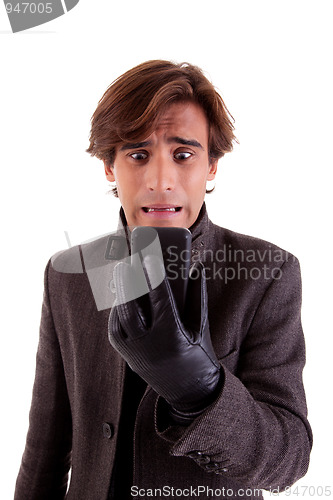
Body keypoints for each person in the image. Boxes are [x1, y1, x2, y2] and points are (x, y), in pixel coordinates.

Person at [14, 60, 312, 500]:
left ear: (212, 166)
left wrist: (201, 393)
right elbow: (46, 447)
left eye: (183, 154)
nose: (159, 180)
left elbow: (288, 461)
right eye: (137, 154)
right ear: (109, 167)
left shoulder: (267, 271)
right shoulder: (68, 274)